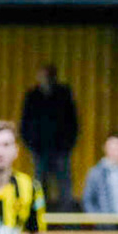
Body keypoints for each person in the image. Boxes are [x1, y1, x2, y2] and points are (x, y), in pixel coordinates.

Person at [19, 64, 79, 212]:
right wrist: (31, 145)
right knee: (39, 186)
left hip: (61, 149)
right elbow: (25, 123)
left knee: (64, 186)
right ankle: (40, 218)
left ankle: (67, 221)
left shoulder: (63, 93)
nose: (45, 78)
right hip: (39, 149)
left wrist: (68, 144)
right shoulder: (33, 96)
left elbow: (73, 121)